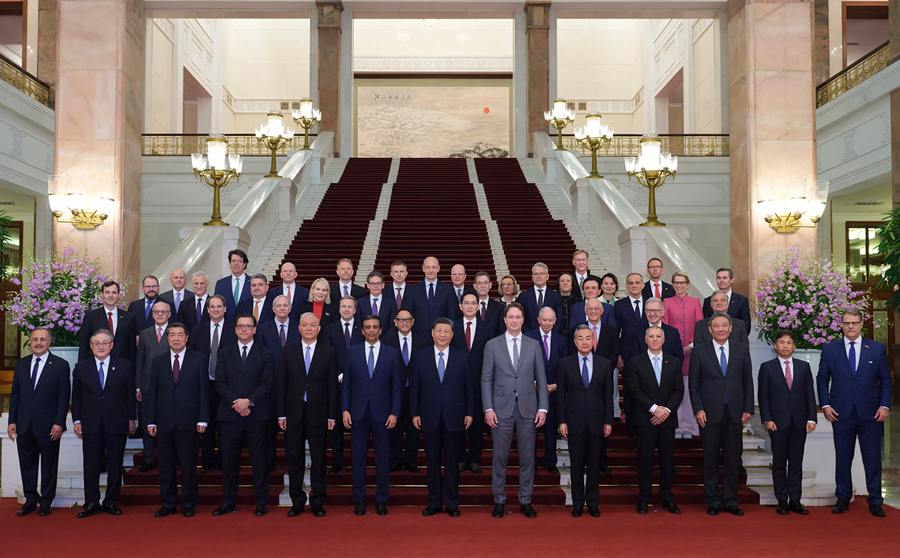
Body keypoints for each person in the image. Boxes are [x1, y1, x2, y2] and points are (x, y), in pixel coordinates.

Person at [818, 308, 892, 517]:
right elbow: (822, 378)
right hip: (840, 413)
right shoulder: (830, 349)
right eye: (846, 323)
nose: (850, 326)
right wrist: (825, 405)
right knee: (843, 458)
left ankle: (875, 501)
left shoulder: (876, 348)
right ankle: (842, 498)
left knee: (872, 459)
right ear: (841, 325)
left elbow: (886, 380)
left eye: (854, 323)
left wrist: (885, 406)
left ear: (861, 324)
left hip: (871, 414)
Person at [482, 303, 549, 519]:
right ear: (504, 319)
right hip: (500, 410)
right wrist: (488, 408)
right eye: (510, 317)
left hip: (528, 409)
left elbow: (541, 378)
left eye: (517, 317)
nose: (514, 320)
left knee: (528, 458)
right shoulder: (492, 345)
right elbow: (486, 380)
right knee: (499, 457)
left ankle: (525, 500)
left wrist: (543, 408)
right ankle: (499, 500)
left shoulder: (533, 345)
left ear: (523, 319)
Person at [689, 312, 754, 516]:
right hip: (709, 413)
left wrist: (748, 408)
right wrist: (698, 409)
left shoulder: (741, 350)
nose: (720, 329)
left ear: (730, 328)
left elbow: (747, 381)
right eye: (716, 326)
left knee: (732, 458)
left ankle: (731, 501)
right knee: (710, 458)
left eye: (724, 325)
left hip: (735, 412)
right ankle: (713, 501)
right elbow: (694, 384)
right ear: (710, 330)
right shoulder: (699, 351)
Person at [277, 312, 340, 517]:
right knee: (294, 459)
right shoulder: (288, 351)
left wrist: (332, 415)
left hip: (319, 414)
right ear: (299, 328)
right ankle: (297, 501)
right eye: (305, 325)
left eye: (313, 325)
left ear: (319, 328)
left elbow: (332, 387)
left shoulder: (329, 352)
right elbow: (282, 384)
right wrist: (281, 414)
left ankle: (318, 501)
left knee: (319, 459)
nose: (309, 328)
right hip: (293, 414)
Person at [410, 318, 474, 517]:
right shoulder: (420, 358)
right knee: (432, 464)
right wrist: (415, 413)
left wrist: (470, 412)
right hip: (429, 417)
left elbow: (470, 389)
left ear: (452, 335)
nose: (442, 335)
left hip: (455, 417)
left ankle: (452, 503)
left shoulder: (463, 358)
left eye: (447, 331)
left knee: (452, 464)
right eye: (439, 331)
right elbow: (414, 389)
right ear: (432, 333)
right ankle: (434, 503)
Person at [212, 314, 275, 517]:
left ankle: (261, 501)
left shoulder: (265, 353)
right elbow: (219, 382)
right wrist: (237, 403)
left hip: (257, 413)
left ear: (255, 329)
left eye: (248, 326)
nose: (244, 329)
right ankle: (228, 501)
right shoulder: (224, 353)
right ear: (235, 329)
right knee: (229, 461)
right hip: (230, 414)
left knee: (259, 460)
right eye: (241, 326)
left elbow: (267, 383)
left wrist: (248, 402)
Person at [145, 322, 208, 518]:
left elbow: (204, 391)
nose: (176, 338)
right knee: (165, 466)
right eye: (172, 335)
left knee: (188, 465)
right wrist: (151, 421)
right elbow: (152, 393)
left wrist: (203, 419)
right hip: (164, 423)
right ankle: (168, 503)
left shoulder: (199, 359)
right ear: (167, 338)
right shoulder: (158, 361)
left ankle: (188, 503)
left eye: (180, 334)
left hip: (189, 422)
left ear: (187, 338)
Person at [342, 315, 402, 516]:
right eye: (367, 327)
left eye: (375, 327)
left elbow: (396, 387)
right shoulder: (352, 351)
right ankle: (359, 499)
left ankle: (381, 499)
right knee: (358, 459)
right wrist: (345, 410)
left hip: (383, 415)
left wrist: (394, 413)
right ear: (362, 330)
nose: (371, 330)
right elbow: (347, 384)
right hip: (357, 414)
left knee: (382, 459)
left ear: (380, 330)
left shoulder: (391, 353)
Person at [72, 329, 136, 518]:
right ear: (91, 346)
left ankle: (111, 502)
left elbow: (130, 394)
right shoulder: (81, 367)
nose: (101, 347)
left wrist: (131, 419)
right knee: (91, 464)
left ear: (112, 345)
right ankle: (91, 503)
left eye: (105, 343)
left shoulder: (124, 365)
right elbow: (76, 397)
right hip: (90, 423)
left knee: (115, 464)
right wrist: (77, 420)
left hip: (116, 422)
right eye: (97, 343)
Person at [7, 328, 70, 517]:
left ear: (50, 342)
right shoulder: (21, 364)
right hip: (24, 424)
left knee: (49, 465)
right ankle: (30, 500)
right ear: (31, 342)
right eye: (35, 339)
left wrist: (59, 422)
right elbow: (15, 394)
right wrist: (12, 420)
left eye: (43, 339)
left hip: (50, 425)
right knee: (27, 464)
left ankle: (46, 502)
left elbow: (63, 397)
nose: (39, 343)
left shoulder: (60, 365)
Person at [758, 330, 816, 515]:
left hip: (800, 421)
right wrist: (767, 419)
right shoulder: (767, 367)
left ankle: (795, 500)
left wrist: (811, 418)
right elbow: (763, 396)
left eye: (788, 342)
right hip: (777, 422)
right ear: (775, 346)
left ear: (794, 346)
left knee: (796, 462)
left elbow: (809, 394)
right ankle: (782, 500)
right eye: (781, 342)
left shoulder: (803, 367)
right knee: (779, 462)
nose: (785, 346)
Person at [557, 324, 612, 517]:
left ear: (593, 340)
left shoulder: (604, 364)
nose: (584, 342)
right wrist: (562, 421)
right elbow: (561, 395)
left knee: (594, 464)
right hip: (574, 421)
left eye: (588, 338)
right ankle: (578, 503)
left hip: (597, 421)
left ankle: (593, 503)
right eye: (580, 338)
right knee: (577, 464)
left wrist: (608, 421)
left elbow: (608, 395)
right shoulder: (565, 364)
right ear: (574, 342)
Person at [628, 325, 684, 515]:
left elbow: (679, 390)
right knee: (645, 460)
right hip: (646, 419)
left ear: (663, 339)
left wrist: (665, 410)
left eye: (658, 336)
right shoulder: (635, 362)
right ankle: (644, 498)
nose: (654, 339)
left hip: (667, 419)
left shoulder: (674, 362)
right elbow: (634, 390)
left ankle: (667, 497)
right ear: (645, 340)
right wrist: (654, 409)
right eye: (651, 336)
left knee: (667, 461)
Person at [187, 295, 236, 473]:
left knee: (225, 425)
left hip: (227, 386)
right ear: (207, 310)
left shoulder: (233, 330)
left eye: (219, 306)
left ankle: (223, 461)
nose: (215, 309)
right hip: (204, 384)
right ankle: (208, 461)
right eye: (212, 307)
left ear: (225, 309)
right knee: (205, 423)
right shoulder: (197, 331)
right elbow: (191, 357)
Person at [573, 298, 620, 473]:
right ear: (585, 311)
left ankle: (600, 460)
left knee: (601, 423)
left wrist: (602, 372)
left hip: (603, 383)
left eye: (596, 308)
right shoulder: (577, 330)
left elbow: (614, 354)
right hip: (582, 385)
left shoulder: (611, 330)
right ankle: (583, 461)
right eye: (590, 308)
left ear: (602, 311)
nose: (593, 311)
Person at [257, 294, 301, 470]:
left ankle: (293, 463)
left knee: (292, 429)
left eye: (285, 305)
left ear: (290, 309)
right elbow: (260, 358)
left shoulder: (299, 328)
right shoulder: (262, 329)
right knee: (269, 428)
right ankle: (269, 462)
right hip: (270, 387)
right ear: (273, 309)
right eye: (279, 305)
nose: (282, 308)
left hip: (294, 387)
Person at [383, 307, 429, 473]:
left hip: (415, 391)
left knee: (414, 428)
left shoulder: (422, 341)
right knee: (394, 428)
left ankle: (410, 461)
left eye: (407, 320)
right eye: (401, 320)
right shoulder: (386, 341)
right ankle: (395, 460)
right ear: (395, 322)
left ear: (413, 321)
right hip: (394, 391)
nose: (404, 323)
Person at [451, 292, 494, 474]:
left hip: (479, 381)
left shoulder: (487, 328)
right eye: (466, 303)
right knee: (458, 421)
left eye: (473, 303)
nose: (469, 306)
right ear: (460, 306)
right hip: (456, 382)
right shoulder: (452, 326)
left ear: (478, 306)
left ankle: (475, 459)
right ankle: (461, 458)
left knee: (477, 423)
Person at [322, 295, 363, 473]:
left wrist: (353, 374)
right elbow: (327, 354)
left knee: (358, 427)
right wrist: (340, 374)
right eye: (343, 306)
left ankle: (357, 461)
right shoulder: (329, 329)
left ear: (355, 310)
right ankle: (337, 462)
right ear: (339, 309)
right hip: (336, 384)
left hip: (359, 384)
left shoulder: (363, 328)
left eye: (349, 307)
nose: (346, 310)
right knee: (337, 426)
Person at [525, 307, 568, 474]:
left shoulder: (561, 340)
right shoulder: (528, 337)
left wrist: (555, 384)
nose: (547, 323)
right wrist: (534, 383)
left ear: (555, 321)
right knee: (531, 430)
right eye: (544, 320)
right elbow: (524, 365)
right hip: (532, 392)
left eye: (551, 320)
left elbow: (564, 366)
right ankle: (532, 462)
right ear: (538, 320)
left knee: (551, 430)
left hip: (553, 392)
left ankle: (550, 461)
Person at [663, 272, 703, 439]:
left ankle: (689, 425)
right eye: (676, 282)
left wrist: (691, 345)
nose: (679, 285)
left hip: (691, 352)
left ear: (687, 284)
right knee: (674, 387)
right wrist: (676, 348)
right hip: (672, 353)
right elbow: (664, 326)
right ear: (673, 284)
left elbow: (699, 325)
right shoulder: (666, 302)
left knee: (688, 387)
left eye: (682, 282)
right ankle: (677, 424)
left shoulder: (695, 302)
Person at [134, 301, 173, 473]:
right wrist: (138, 386)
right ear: (152, 314)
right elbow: (140, 361)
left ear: (169, 314)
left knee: (169, 424)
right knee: (147, 423)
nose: (160, 314)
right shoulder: (145, 333)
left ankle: (171, 460)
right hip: (147, 385)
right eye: (157, 311)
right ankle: (148, 460)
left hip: (168, 385)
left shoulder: (175, 332)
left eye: (163, 312)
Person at [614, 273, 649, 436]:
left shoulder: (651, 303)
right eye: (631, 283)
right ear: (626, 286)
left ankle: (647, 425)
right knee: (629, 391)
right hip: (628, 355)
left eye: (637, 282)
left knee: (648, 390)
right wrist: (618, 354)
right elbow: (616, 331)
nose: (634, 285)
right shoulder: (619, 305)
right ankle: (631, 427)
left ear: (643, 285)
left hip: (649, 353)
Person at [79, 280, 137, 362]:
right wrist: (82, 366)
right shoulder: (91, 316)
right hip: (97, 364)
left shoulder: (129, 317)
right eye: (107, 292)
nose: (110, 295)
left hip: (122, 364)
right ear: (101, 295)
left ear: (118, 295)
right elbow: (84, 346)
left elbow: (132, 347)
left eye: (114, 292)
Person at [407, 256, 455, 335]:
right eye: (428, 267)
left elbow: (452, 316)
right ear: (423, 269)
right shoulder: (414, 290)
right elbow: (409, 315)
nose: (431, 270)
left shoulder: (448, 290)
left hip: (441, 335)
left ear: (438, 269)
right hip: (419, 336)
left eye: (434, 267)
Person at [518, 262, 564, 334]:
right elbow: (520, 319)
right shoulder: (523, 296)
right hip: (529, 337)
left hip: (551, 337)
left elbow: (560, 320)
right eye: (536, 274)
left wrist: (549, 335)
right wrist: (531, 335)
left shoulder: (556, 296)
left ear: (547, 276)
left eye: (542, 273)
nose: (538, 276)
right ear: (532, 277)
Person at [702, 268, 751, 332]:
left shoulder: (741, 300)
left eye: (724, 278)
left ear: (732, 280)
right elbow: (705, 324)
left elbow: (746, 326)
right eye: (719, 278)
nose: (721, 280)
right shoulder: (708, 301)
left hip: (735, 337)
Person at [214, 249, 252, 319]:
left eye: (239, 261)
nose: (236, 263)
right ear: (230, 264)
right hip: (227, 323)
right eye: (233, 261)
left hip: (247, 323)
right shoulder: (221, 284)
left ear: (244, 264)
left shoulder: (253, 283)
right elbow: (216, 305)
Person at [473, 271, 505, 337]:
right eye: (479, 283)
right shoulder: (469, 307)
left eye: (485, 283)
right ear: (474, 286)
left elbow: (502, 330)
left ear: (490, 285)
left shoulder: (499, 307)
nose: (483, 286)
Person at [556, 271, 582, 340]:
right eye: (562, 281)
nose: (565, 283)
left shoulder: (578, 301)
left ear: (572, 284)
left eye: (568, 281)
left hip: (574, 336)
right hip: (557, 335)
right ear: (558, 285)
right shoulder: (553, 300)